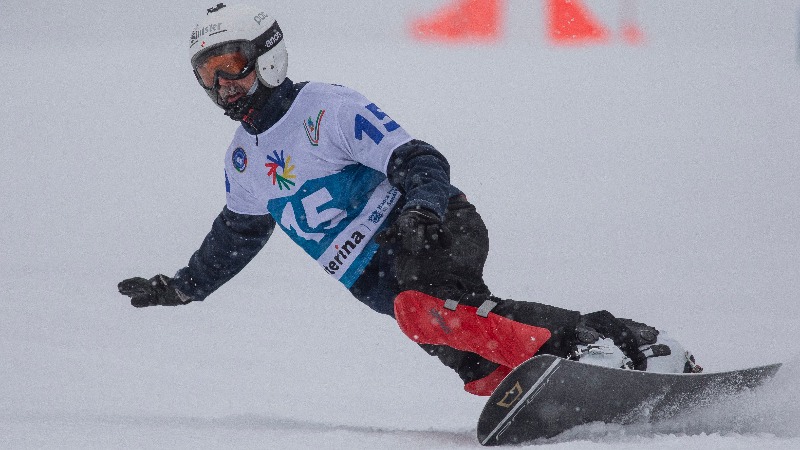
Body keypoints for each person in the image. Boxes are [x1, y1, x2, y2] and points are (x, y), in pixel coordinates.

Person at [118, 3, 701, 396]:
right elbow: (237, 234)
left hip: (427, 225)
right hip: (378, 280)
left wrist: (421, 208)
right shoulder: (242, 159)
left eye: (234, 67)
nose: (225, 87)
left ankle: (617, 343)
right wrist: (182, 288)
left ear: (267, 55)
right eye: (209, 76)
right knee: (478, 367)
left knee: (428, 308)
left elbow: (422, 160)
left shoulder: (326, 107)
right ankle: (585, 379)